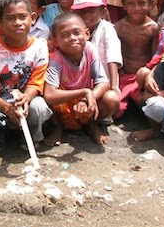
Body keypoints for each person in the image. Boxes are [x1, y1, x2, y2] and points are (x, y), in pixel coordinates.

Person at [0, 0, 52, 152]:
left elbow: (36, 84)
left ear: (33, 18)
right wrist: (7, 109)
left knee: (39, 106)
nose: (17, 23)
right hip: (0, 104)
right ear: (1, 23)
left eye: (22, 17)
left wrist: (26, 99)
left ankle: (31, 135)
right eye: (10, 18)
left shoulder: (39, 48)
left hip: (26, 102)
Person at [43, 13, 118, 146]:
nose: (72, 38)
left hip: (84, 104)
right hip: (62, 106)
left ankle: (91, 124)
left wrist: (86, 98)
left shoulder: (89, 49)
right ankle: (57, 127)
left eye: (77, 33)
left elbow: (103, 82)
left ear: (87, 33)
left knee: (111, 98)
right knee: (46, 97)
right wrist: (84, 92)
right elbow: (49, 95)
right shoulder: (56, 58)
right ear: (55, 41)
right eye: (65, 35)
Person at [114, 0, 161, 115]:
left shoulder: (153, 28)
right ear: (123, 5)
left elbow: (155, 57)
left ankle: (138, 101)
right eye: (131, 4)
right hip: (123, 77)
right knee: (116, 110)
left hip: (143, 77)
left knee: (149, 101)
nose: (136, 8)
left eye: (142, 3)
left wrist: (149, 76)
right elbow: (116, 55)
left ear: (151, 3)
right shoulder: (119, 27)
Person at [72, 0, 122, 107]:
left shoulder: (107, 29)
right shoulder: (72, 29)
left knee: (111, 99)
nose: (86, 15)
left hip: (102, 84)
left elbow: (112, 57)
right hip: (77, 85)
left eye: (91, 10)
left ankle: (98, 119)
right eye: (81, 11)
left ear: (103, 12)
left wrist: (114, 86)